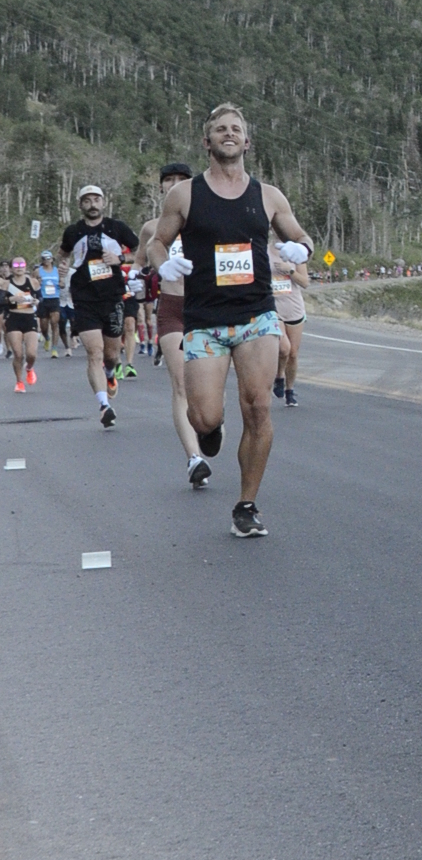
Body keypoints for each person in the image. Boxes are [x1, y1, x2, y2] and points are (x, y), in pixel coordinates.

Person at [149, 103, 316, 538]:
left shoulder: (268, 195)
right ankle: (211, 428)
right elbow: (156, 243)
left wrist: (302, 249)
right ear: (207, 142)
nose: (229, 133)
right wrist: (163, 264)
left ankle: (246, 505)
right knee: (204, 417)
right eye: (220, 129)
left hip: (256, 314)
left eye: (236, 129)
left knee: (258, 407)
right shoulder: (185, 195)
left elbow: (300, 236)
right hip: (204, 319)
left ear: (247, 142)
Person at [141, 163, 211, 488]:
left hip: (206, 309)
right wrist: (138, 275)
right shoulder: (152, 228)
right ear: (161, 187)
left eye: (182, 180)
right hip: (171, 308)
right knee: (181, 384)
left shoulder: (207, 223)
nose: (174, 184)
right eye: (168, 180)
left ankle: (210, 423)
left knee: (207, 390)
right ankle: (194, 458)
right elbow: (139, 261)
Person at [58, 184, 140, 428]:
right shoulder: (73, 232)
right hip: (84, 298)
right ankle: (104, 406)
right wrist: (63, 266)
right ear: (80, 205)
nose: (92, 204)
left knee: (111, 355)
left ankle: (110, 374)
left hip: (112, 296)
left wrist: (121, 258)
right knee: (94, 352)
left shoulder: (117, 228)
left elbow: (141, 252)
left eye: (96, 199)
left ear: (103, 203)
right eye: (87, 200)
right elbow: (63, 254)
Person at [271, 246, 310, 404]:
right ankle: (279, 375)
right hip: (273, 307)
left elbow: (305, 282)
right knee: (283, 348)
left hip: (294, 308)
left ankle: (290, 390)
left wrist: (290, 271)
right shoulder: (264, 250)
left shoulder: (296, 251)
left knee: (293, 354)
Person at [5, 259, 40, 391]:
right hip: (14, 318)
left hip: (29, 317)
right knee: (18, 354)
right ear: (11, 268)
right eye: (16, 265)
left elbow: (40, 297)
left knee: (31, 354)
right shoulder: (6, 283)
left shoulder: (33, 282)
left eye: (22, 265)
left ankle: (29, 368)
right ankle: (19, 382)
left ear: (25, 267)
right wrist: (11, 299)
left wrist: (37, 301)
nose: (19, 267)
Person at [35, 253, 61, 357]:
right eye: (44, 258)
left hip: (54, 298)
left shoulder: (57, 271)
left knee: (54, 323)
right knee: (44, 326)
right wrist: (37, 282)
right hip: (43, 299)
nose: (46, 260)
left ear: (52, 259)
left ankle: (54, 349)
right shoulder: (38, 271)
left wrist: (61, 284)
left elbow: (62, 283)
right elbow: (32, 284)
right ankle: (46, 337)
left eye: (48, 258)